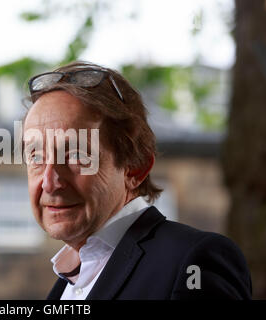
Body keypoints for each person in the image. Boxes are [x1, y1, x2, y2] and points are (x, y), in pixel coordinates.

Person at [22, 61, 252, 300]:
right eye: (36, 156)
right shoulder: (65, 285)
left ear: (135, 167)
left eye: (77, 155)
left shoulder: (195, 263)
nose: (49, 182)